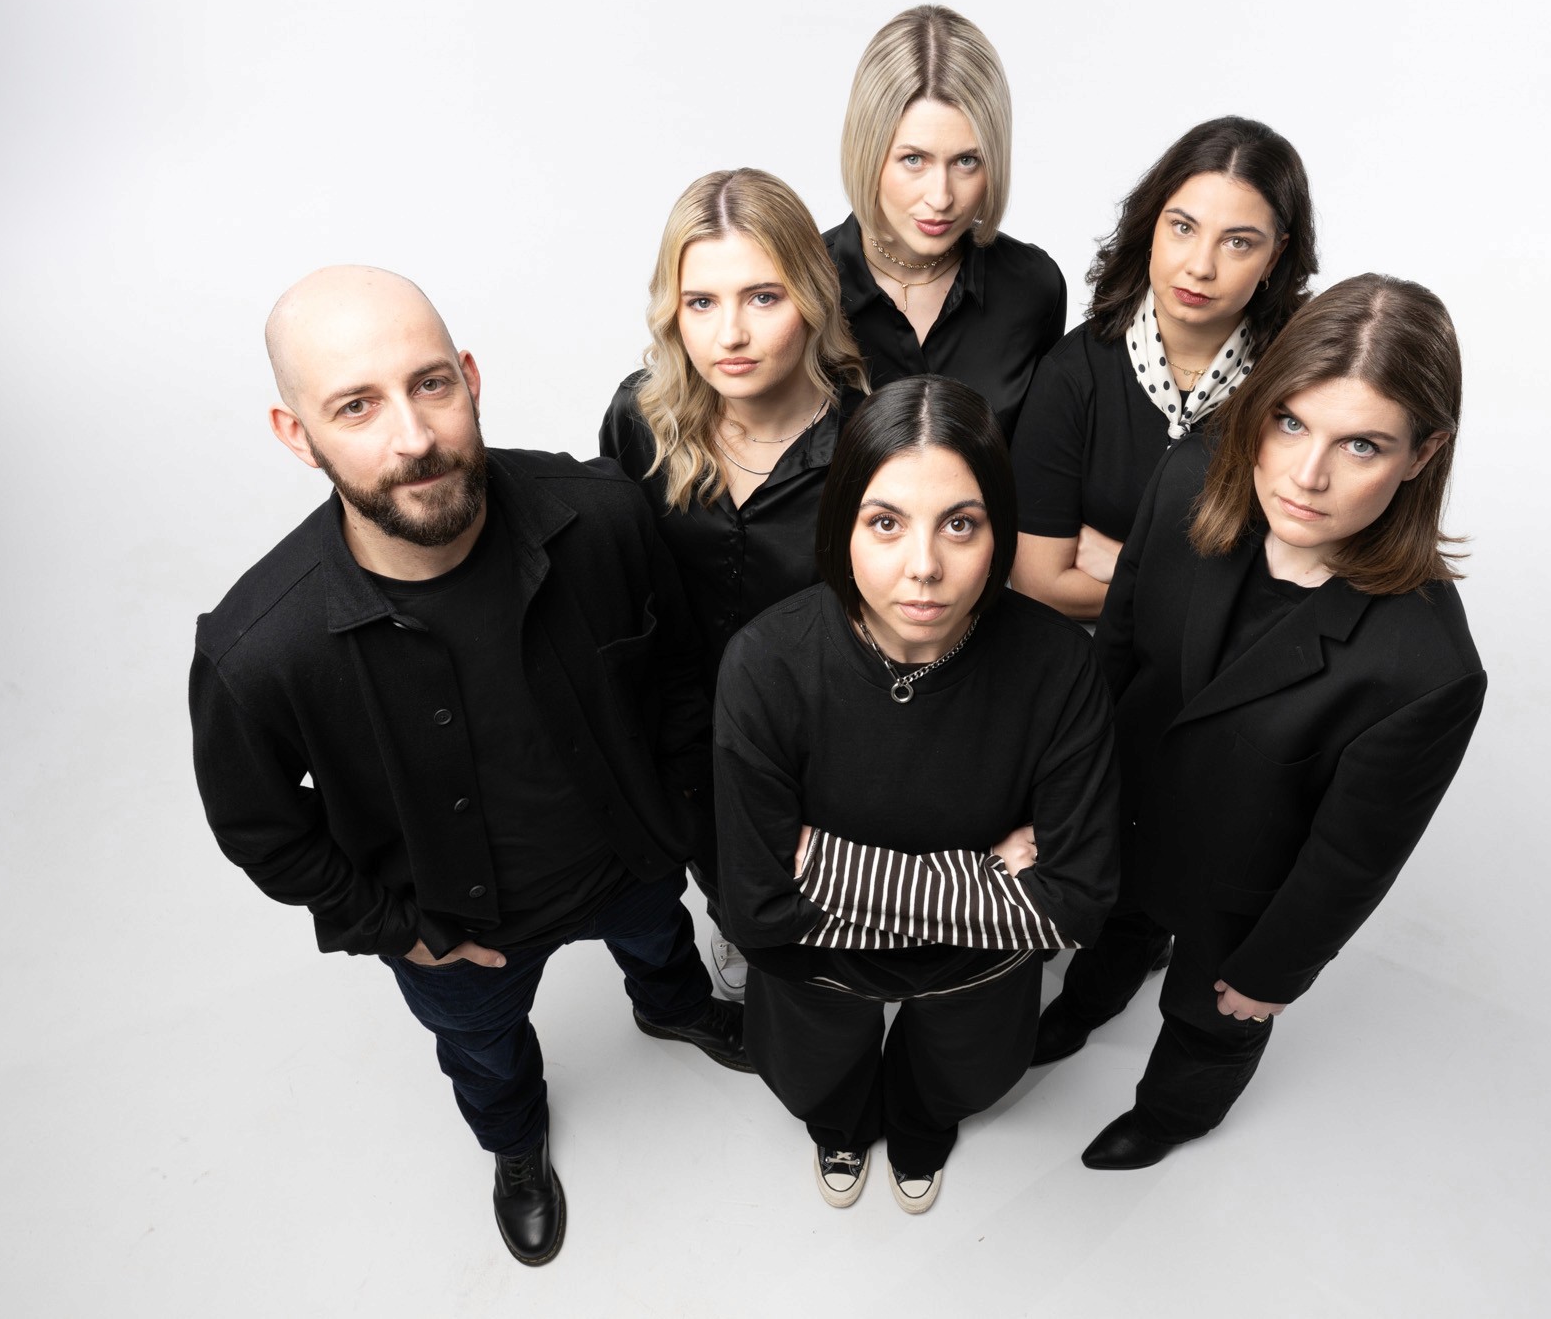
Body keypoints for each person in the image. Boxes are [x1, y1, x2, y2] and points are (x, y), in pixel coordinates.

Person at [188, 266, 749, 1268]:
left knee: (660, 942)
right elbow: (262, 831)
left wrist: (677, 819)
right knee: (485, 1055)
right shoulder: (256, 649)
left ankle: (672, 1007)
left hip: (630, 858)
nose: (412, 437)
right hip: (457, 927)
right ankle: (515, 1145)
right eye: (355, 406)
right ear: (295, 434)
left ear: (471, 378)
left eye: (430, 384)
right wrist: (397, 929)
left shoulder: (605, 516)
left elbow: (677, 684)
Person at [1034, 274, 1487, 1172]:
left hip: (1240, 895)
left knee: (1212, 1019)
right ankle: (1087, 1004)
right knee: (1115, 930)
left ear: (1422, 454)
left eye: (1361, 444)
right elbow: (1114, 654)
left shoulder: (1427, 669)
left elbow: (1350, 859)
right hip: (1122, 816)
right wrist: (1063, 801)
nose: (1307, 475)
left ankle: (1172, 1114)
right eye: (1290, 422)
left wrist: (1273, 973)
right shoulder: (1189, 475)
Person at [714, 375, 1121, 1212]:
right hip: (818, 970)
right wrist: (988, 879)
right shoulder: (765, 663)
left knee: (950, 1079)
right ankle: (838, 1125)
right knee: (821, 1081)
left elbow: (1077, 903)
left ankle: (923, 1130)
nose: (925, 567)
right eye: (886, 523)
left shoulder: (1059, 665)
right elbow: (756, 911)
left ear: (999, 530)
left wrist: (822, 866)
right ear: (843, 526)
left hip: (973, 976)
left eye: (961, 524)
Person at [599, 168, 871, 1001]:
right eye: (702, 302)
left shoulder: (872, 435)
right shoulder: (638, 419)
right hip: (686, 728)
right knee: (727, 879)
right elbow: (617, 573)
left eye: (763, 296)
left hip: (823, 730)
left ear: (813, 297)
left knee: (821, 898)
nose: (732, 335)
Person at [1011, 115, 1317, 622]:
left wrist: (1131, 567)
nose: (1200, 266)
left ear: (1275, 256)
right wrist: (1211, 595)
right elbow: (1039, 586)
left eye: (1237, 242)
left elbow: (1311, 590)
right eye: (1183, 227)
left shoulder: (1303, 387)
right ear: (1152, 223)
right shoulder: (1073, 375)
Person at [824, 4, 1065, 441]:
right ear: (867, 151)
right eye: (913, 159)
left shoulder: (1033, 288)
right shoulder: (801, 285)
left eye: (967, 161)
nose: (941, 197)